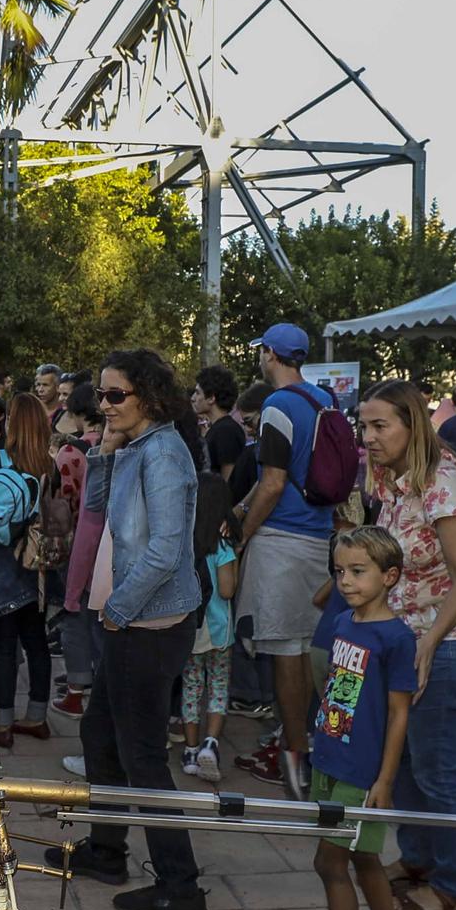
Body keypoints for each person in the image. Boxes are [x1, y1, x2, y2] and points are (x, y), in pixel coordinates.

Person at [48, 348, 207, 910]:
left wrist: (116, 608)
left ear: (149, 396)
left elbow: (168, 548)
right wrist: (105, 454)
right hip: (128, 619)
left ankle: (181, 885)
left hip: (148, 622)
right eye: (101, 396)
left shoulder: (163, 453)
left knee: (142, 756)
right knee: (101, 738)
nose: (104, 406)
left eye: (116, 396)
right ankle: (107, 851)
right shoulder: (134, 448)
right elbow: (95, 511)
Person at [359, 379, 456, 910]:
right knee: (409, 765)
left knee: (439, 770)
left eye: (380, 426)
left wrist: (429, 643)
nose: (368, 437)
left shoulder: (444, 485)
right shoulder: (395, 481)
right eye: (364, 425)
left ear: (411, 426)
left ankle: (450, 889)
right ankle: (418, 861)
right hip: (413, 645)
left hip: (453, 648)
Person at [294, 526, 417, 910]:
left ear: (390, 576)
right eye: (340, 571)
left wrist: (384, 780)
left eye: (358, 572)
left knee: (329, 862)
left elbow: (399, 712)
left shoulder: (396, 637)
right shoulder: (344, 621)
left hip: (360, 772)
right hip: (330, 756)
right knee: (364, 856)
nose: (345, 581)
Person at [235, 323, 339, 797]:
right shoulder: (326, 400)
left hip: (282, 541)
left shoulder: (277, 406)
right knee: (310, 648)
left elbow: (273, 482)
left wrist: (242, 532)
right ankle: (315, 747)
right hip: (320, 538)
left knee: (286, 654)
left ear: (271, 354)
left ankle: (294, 759)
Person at [0, 393, 55, 745]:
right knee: (37, 642)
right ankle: (37, 717)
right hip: (36, 562)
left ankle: (1, 723)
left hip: (0, 560)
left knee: (4, 646)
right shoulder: (47, 463)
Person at [181, 472, 239, 783]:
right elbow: (228, 590)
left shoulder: (185, 540)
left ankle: (189, 750)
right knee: (217, 687)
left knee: (191, 688)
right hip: (219, 631)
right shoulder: (223, 546)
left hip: (191, 630)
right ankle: (210, 744)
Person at [50, 385, 104, 720]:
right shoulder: (118, 446)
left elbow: (63, 501)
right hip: (110, 552)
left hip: (76, 546)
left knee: (74, 617)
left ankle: (76, 691)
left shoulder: (73, 453)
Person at [193, 365, 244, 482]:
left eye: (197, 393)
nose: (193, 398)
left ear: (211, 398)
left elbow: (228, 479)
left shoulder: (226, 431)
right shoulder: (218, 429)